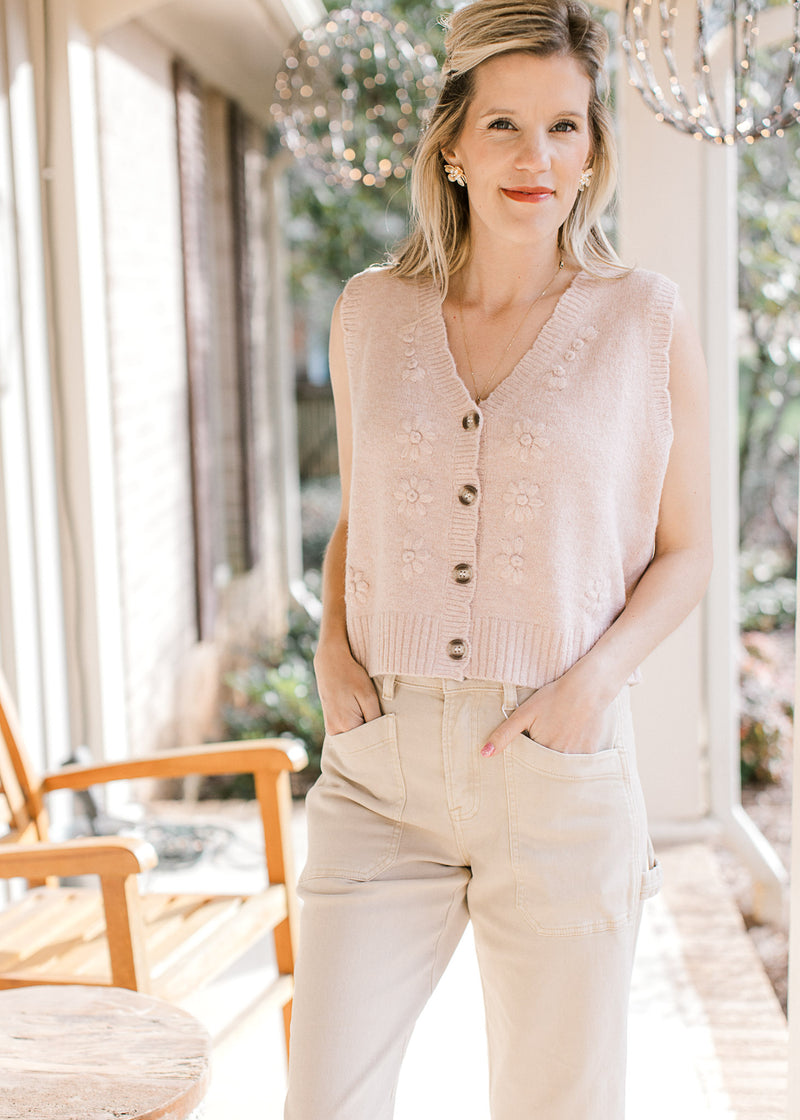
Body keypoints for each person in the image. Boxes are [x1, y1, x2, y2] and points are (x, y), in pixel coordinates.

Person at [284, 0, 712, 1116]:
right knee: (324, 1099)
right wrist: (331, 648)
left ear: (590, 150)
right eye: (505, 127)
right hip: (379, 770)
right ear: (452, 145)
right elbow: (362, 512)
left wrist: (588, 688)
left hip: (555, 771)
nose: (536, 158)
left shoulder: (643, 320)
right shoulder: (370, 312)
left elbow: (688, 549)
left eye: (563, 128)